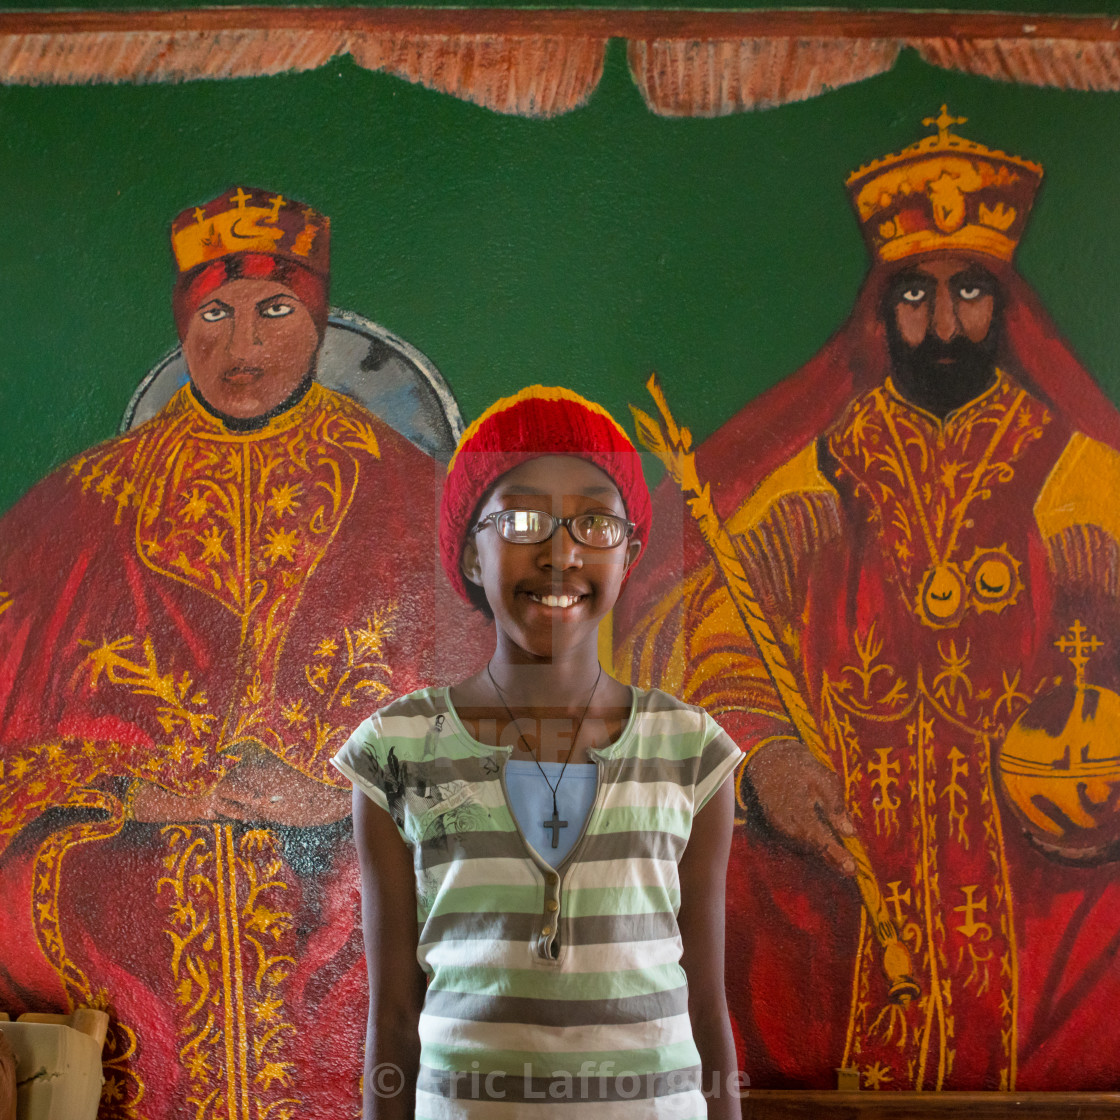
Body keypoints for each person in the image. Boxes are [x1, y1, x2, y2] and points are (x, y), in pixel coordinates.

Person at [616, 110, 1120, 1091]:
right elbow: (713, 635)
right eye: (916, 294)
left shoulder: (1081, 478)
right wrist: (766, 755)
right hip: (845, 863)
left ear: (1004, 303)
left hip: (1039, 863)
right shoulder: (812, 475)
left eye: (969, 291)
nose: (942, 324)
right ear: (880, 309)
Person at [0, 186, 489, 1118]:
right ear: (185, 325)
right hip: (123, 879)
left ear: (317, 322)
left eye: (274, 312)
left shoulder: (418, 500)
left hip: (354, 891)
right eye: (216, 315)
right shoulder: (81, 503)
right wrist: (127, 788)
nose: (243, 348)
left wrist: (346, 794)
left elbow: (503, 741)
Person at [332, 385, 744, 1118]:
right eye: (522, 520)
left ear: (631, 553)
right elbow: (393, 1021)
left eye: (595, 522)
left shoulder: (693, 754)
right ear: (468, 549)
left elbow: (707, 1011)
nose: (561, 552)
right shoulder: (395, 753)